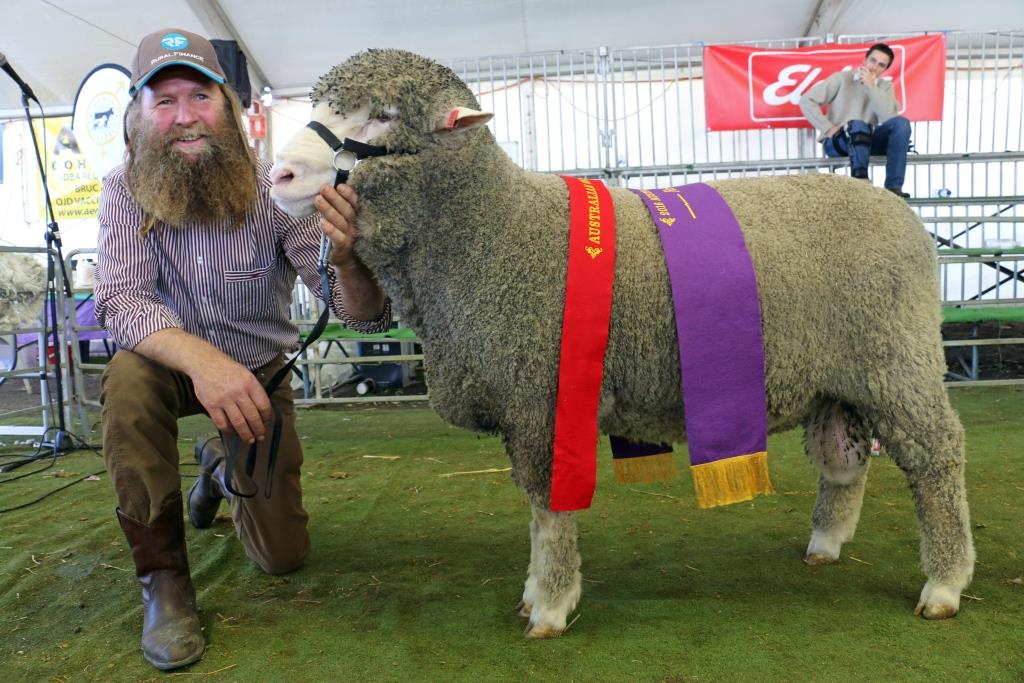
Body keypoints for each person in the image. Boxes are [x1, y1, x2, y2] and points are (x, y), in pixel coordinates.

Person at [94, 28, 390, 671]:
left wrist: (350, 262)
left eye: (199, 97)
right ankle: (164, 583)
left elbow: (355, 316)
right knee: (127, 381)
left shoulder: (275, 187)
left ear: (228, 106)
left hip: (257, 376)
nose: (184, 117)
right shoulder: (122, 189)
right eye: (163, 101)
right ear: (138, 115)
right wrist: (207, 365)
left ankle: (220, 470)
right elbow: (119, 301)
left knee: (282, 557)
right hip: (168, 367)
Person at [799, 43, 912, 198]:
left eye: (881, 65)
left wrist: (871, 87)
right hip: (839, 140)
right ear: (865, 59)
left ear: (885, 69)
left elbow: (888, 117)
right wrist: (828, 129)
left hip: (867, 140)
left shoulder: (885, 87)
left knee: (901, 123)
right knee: (857, 123)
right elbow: (807, 100)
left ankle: (894, 188)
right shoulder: (842, 78)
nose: (874, 67)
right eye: (872, 61)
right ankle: (861, 184)